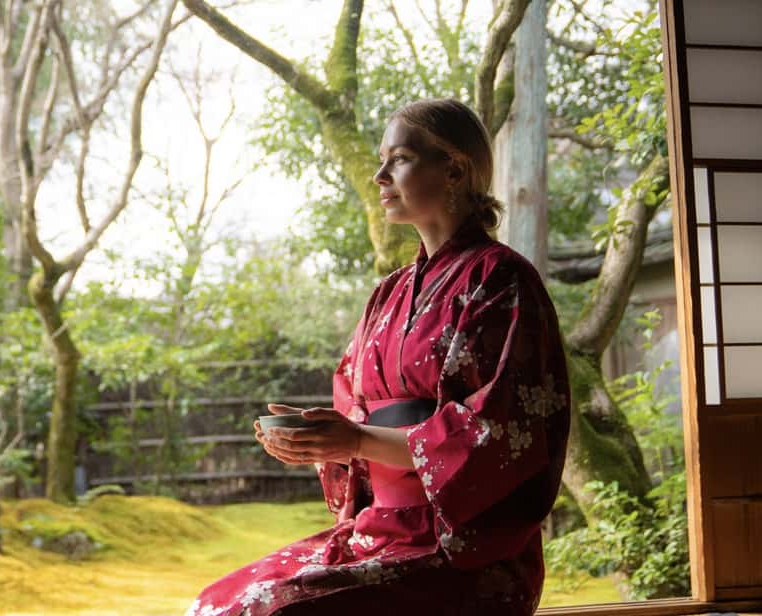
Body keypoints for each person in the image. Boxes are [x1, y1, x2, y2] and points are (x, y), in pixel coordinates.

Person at [184, 98, 572, 616]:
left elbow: (500, 433)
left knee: (270, 609)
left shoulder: (500, 279)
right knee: (215, 603)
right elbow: (356, 409)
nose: (379, 175)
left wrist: (359, 439)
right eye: (381, 159)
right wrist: (324, 439)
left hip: (460, 551)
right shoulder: (388, 293)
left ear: (454, 168)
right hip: (380, 530)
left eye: (399, 159)